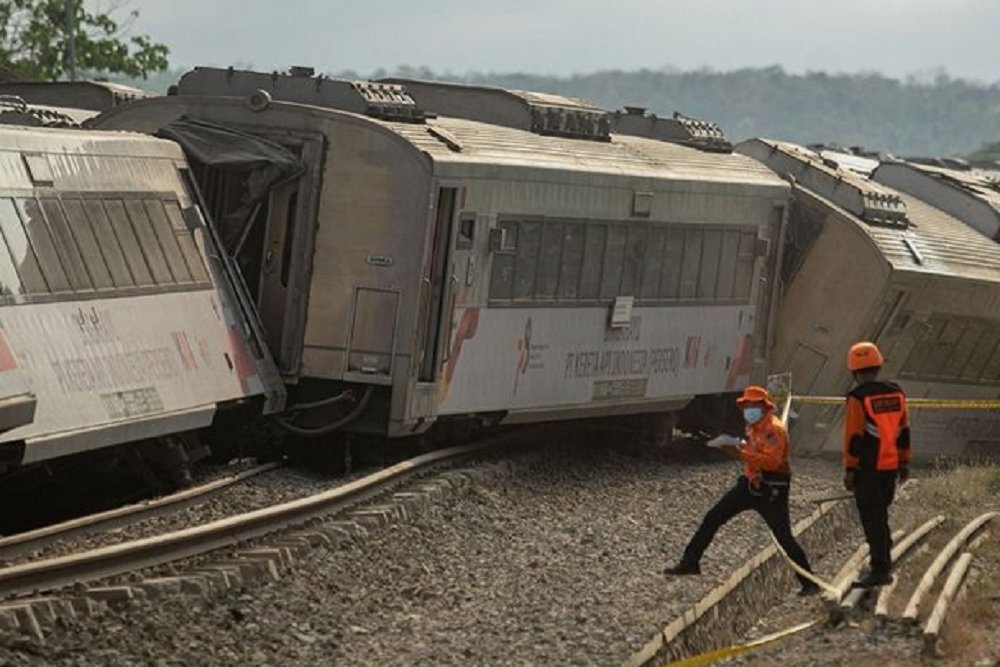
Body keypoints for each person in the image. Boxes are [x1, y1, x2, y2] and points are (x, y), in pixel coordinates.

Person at [664, 385, 820, 596]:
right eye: (746, 405)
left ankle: (809, 583)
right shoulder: (753, 427)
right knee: (714, 517)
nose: (748, 409)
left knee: (784, 538)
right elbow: (754, 452)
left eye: (752, 405)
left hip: (772, 489)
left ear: (764, 407)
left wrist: (739, 454)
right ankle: (690, 561)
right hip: (749, 483)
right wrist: (738, 449)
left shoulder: (774, 430)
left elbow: (773, 462)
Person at [843, 341, 911, 588]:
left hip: (868, 469)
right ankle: (884, 553)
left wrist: (850, 469)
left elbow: (854, 437)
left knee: (872, 518)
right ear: (879, 365)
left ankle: (881, 570)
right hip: (890, 466)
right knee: (880, 512)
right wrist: (904, 462)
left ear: (854, 371)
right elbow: (904, 430)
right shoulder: (897, 393)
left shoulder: (857, 398)